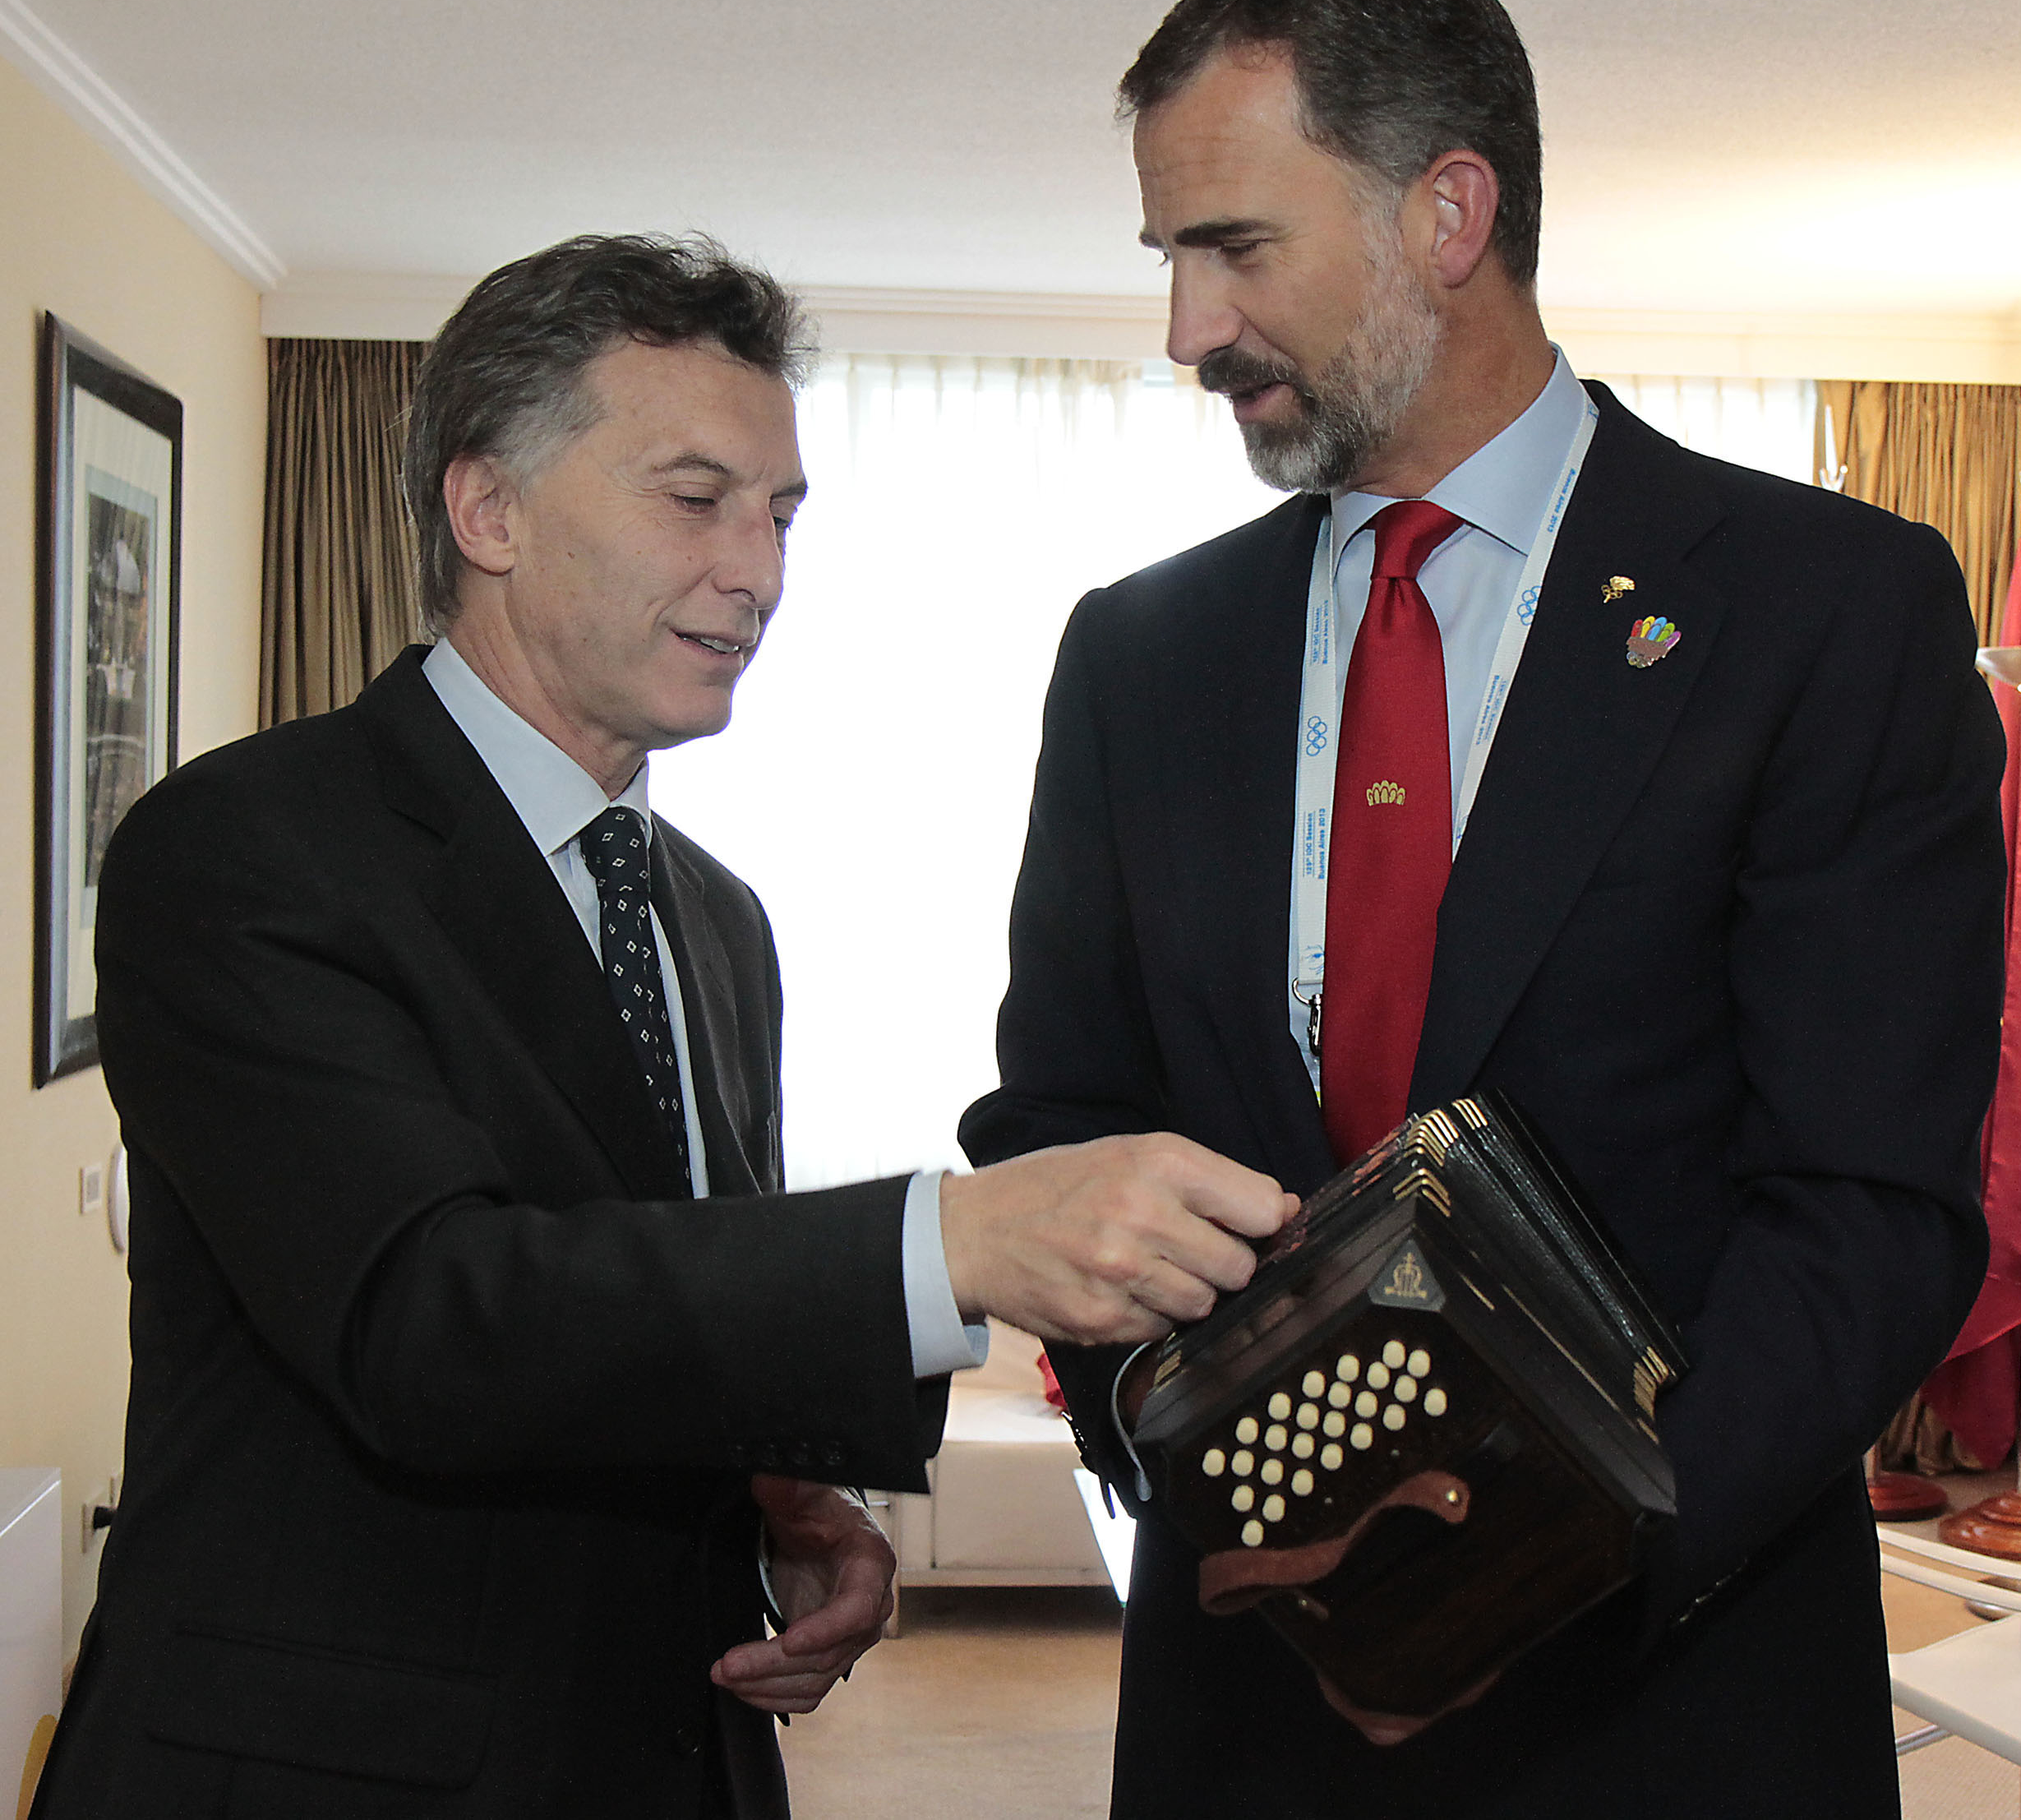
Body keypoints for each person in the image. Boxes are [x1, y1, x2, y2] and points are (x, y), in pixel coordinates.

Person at [30, 233, 1291, 1820]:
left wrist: (786, 1497)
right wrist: (951, 1240)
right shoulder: (243, 851)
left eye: (781, 515)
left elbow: (662, 1307)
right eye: (697, 500)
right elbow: (431, 1320)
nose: (760, 572)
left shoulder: (714, 917)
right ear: (488, 510)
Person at [960, 0, 2006, 1817]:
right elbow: (1059, 1120)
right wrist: (1197, 1461)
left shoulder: (1823, 611)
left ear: (1448, 212)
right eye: (1168, 256)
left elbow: (1867, 1204)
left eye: (1234, 247)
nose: (1185, 328)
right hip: (1244, 1707)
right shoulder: (1138, 657)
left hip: (1668, 1706)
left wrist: (1530, 1581)